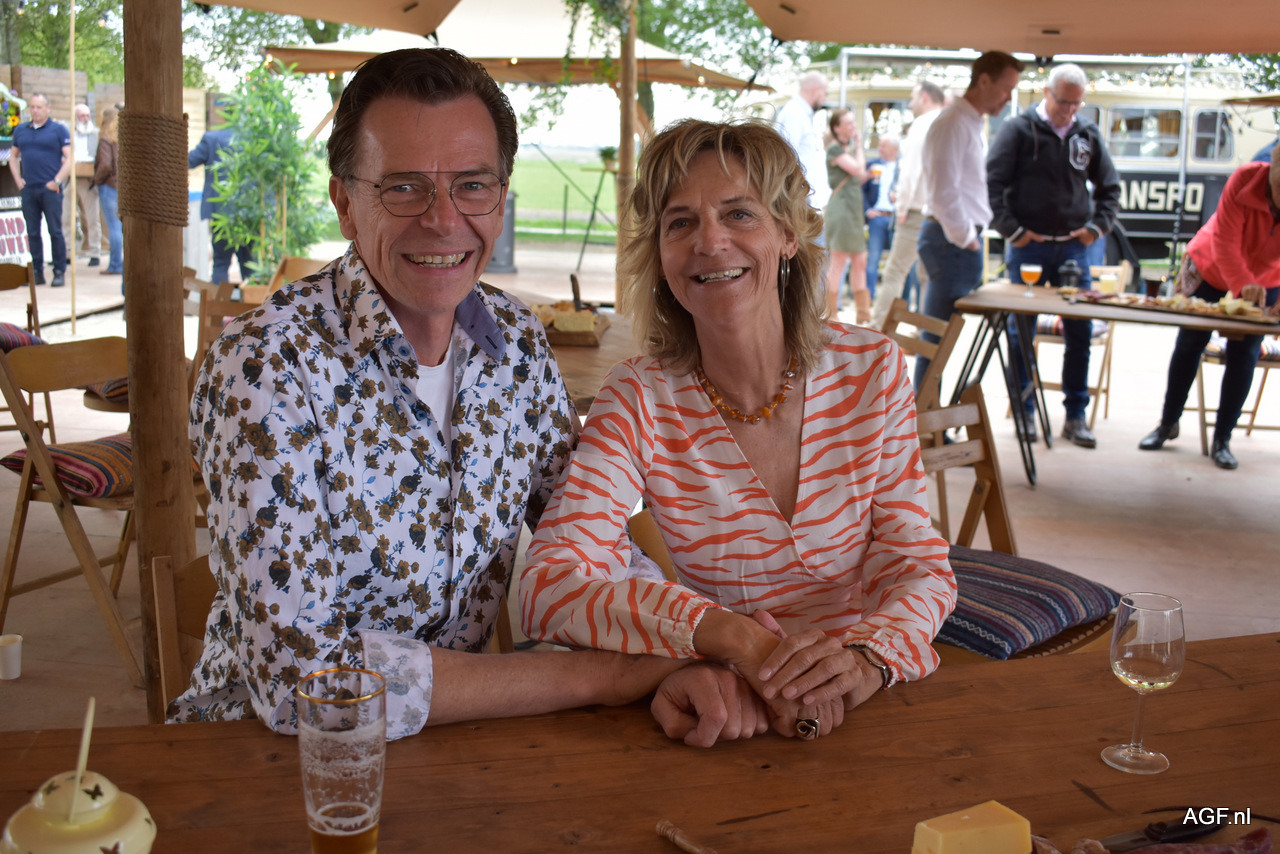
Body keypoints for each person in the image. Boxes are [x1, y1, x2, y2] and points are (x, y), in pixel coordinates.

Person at [176, 48, 771, 750]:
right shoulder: (264, 364)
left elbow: (589, 537)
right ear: (344, 203)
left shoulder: (514, 340)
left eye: (472, 185)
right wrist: (598, 676)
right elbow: (303, 680)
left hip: (458, 749)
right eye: (403, 188)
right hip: (261, 759)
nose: (442, 219)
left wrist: (680, 646)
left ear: (501, 194)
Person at [520, 118, 956, 742]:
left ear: (788, 234)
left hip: (863, 705)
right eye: (680, 223)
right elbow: (549, 585)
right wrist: (731, 639)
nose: (710, 241)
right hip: (729, 707)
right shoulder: (640, 397)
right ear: (660, 257)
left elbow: (916, 564)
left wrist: (866, 659)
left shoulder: (871, 369)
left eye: (739, 214)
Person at [987, 63, 1121, 448]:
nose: (1069, 111)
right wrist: (1013, 231)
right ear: (1046, 93)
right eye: (1064, 102)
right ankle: (1025, 412)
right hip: (1027, 248)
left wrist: (1096, 228)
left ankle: (1075, 416)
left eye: (1077, 104)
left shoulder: (1087, 133)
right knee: (1020, 332)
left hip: (1074, 249)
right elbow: (991, 184)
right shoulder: (1017, 129)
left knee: (1080, 330)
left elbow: (1110, 189)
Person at [1138, 144, 1280, 470]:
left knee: (1245, 352)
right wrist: (1243, 283)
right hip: (1212, 265)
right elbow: (1225, 240)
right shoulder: (1245, 179)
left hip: (1268, 277)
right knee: (1189, 342)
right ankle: (1167, 423)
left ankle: (1222, 439)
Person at [915, 52, 1024, 393]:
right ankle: (923, 419)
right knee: (936, 343)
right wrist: (968, 239)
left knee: (939, 342)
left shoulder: (968, 121)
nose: (1008, 97)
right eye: (1006, 88)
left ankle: (926, 417)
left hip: (955, 241)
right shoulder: (953, 123)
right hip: (952, 243)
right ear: (984, 80)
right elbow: (944, 193)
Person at [869, 80, 945, 331]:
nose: (910, 104)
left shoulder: (921, 124)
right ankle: (924, 334)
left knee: (895, 272)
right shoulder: (947, 122)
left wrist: (901, 207)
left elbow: (911, 172)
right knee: (927, 275)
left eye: (912, 98)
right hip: (939, 212)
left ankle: (878, 331)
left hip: (915, 210)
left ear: (925, 98)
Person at [10, 93, 70, 287]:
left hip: (49, 188)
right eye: (32, 107)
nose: (35, 111)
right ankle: (37, 272)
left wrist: (57, 181)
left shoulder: (58, 130)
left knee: (55, 230)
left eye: (39, 107)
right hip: (29, 188)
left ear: (47, 108)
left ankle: (59, 271)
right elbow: (13, 156)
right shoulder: (21, 130)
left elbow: (70, 158)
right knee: (32, 232)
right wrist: (18, 179)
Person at [188, 109, 254, 286]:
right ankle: (253, 303)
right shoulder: (253, 140)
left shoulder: (212, 138)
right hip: (249, 213)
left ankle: (220, 304)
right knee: (250, 265)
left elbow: (189, 161)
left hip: (221, 212)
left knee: (220, 263)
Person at [824, 108, 869, 321]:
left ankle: (863, 314)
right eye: (849, 123)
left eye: (853, 122)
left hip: (852, 210)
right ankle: (831, 313)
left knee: (860, 260)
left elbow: (860, 173)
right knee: (839, 261)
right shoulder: (834, 149)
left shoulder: (845, 149)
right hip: (842, 211)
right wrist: (859, 145)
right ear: (837, 128)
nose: (853, 127)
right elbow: (859, 170)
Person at [774, 71, 832, 216]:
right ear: (816, 90)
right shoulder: (794, 113)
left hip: (809, 206)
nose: (825, 99)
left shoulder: (800, 113)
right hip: (802, 206)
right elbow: (786, 158)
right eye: (825, 93)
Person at [862, 133, 899, 298]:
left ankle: (898, 298)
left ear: (894, 149)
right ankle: (869, 296)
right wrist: (868, 210)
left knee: (898, 260)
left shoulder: (902, 167)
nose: (880, 149)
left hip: (896, 218)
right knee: (873, 258)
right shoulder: (872, 165)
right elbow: (860, 190)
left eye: (883, 146)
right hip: (877, 218)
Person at [69, 103, 102, 268]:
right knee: (66, 216)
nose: (85, 118)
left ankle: (95, 251)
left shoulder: (95, 134)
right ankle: (67, 252)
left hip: (88, 179)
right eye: (82, 115)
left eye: (87, 115)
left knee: (92, 217)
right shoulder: (69, 134)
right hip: (70, 177)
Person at [93, 107, 123, 276]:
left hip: (109, 185)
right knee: (118, 226)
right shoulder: (120, 139)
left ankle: (115, 264)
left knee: (114, 227)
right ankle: (118, 262)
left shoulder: (106, 140)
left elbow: (105, 164)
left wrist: (96, 180)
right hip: (120, 186)